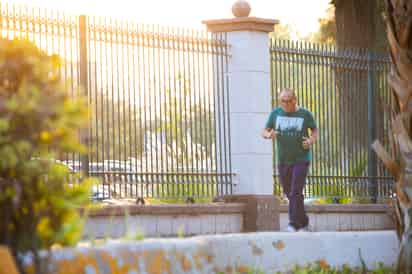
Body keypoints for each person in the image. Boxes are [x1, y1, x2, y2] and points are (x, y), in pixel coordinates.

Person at [262, 88, 318, 232]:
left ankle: (293, 223)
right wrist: (269, 135)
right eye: (283, 101)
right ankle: (304, 222)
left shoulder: (305, 114)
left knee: (295, 191)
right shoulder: (275, 114)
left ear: (295, 100)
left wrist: (311, 141)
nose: (285, 104)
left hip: (301, 159)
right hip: (283, 160)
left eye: (288, 101)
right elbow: (264, 131)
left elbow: (315, 131)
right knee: (290, 192)